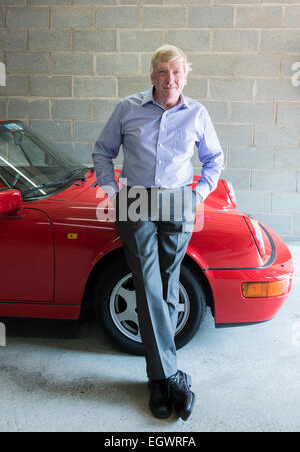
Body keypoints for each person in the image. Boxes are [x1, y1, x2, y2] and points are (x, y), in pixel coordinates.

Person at [92, 45, 224, 421]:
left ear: (186, 76)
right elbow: (103, 151)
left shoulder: (197, 113)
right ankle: (168, 376)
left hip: (178, 202)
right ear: (152, 76)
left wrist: (197, 194)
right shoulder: (127, 108)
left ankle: (160, 379)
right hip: (135, 202)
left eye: (177, 73)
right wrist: (112, 192)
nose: (170, 80)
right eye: (163, 72)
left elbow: (214, 159)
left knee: (167, 285)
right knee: (149, 284)